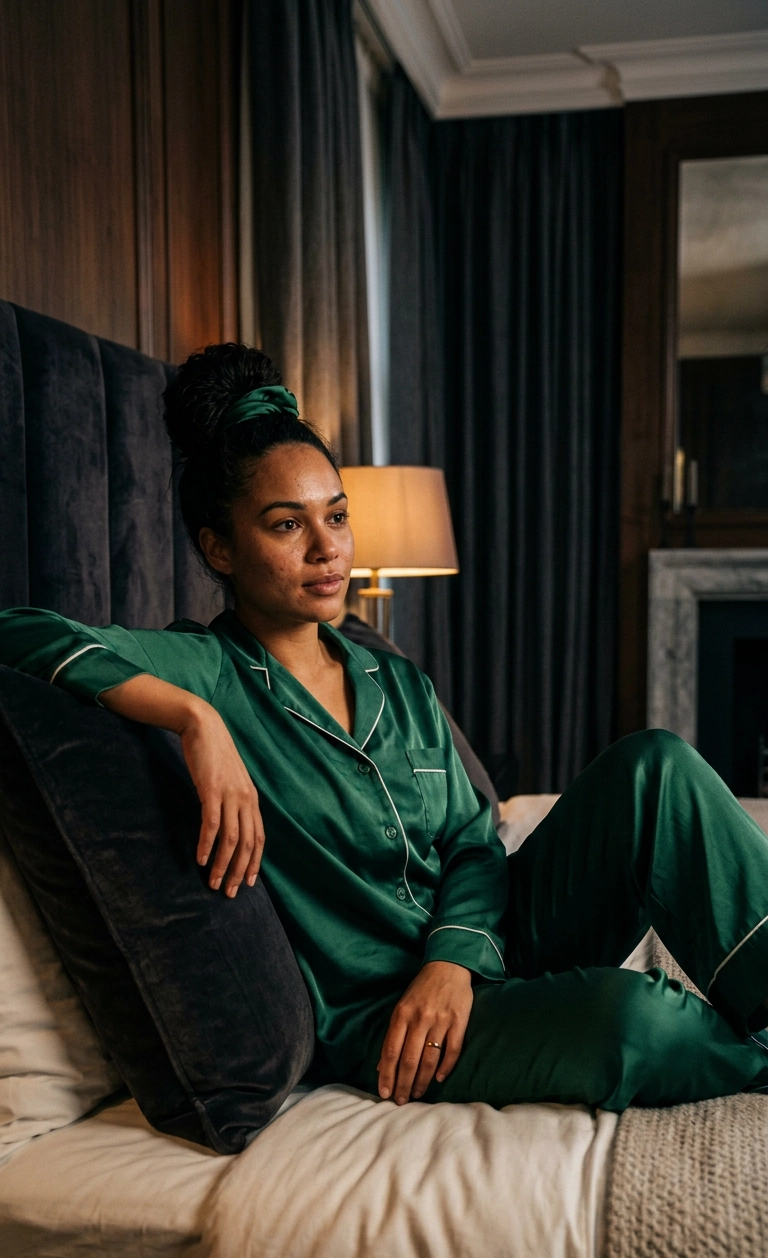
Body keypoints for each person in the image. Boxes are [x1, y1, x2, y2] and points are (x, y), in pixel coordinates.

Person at [2, 342, 768, 1114]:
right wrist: (192, 717)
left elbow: (473, 844)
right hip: (388, 1021)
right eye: (285, 525)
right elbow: (19, 631)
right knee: (631, 1017)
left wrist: (455, 959)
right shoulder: (205, 671)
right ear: (219, 548)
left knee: (657, 768)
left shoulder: (393, 680)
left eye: (335, 516)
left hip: (479, 950)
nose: (327, 547)